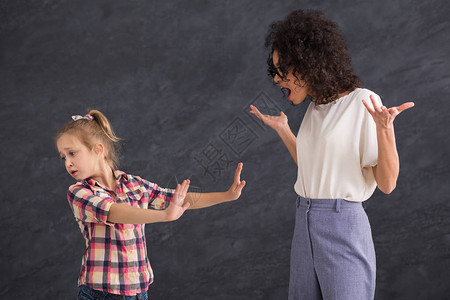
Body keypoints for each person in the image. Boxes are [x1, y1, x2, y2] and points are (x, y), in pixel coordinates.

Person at [250, 10, 414, 300]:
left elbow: (387, 184)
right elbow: (313, 168)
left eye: (283, 69)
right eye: (274, 71)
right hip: (304, 220)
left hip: (342, 226)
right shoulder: (315, 108)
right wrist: (285, 130)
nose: (277, 79)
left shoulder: (362, 101)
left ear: (307, 62)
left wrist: (385, 130)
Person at [55, 110, 246, 300]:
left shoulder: (133, 183)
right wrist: (164, 215)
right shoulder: (79, 192)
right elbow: (114, 212)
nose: (68, 163)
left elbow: (177, 198)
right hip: (100, 293)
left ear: (98, 149)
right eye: (63, 157)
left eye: (72, 153)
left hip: (138, 292)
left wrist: (226, 196)